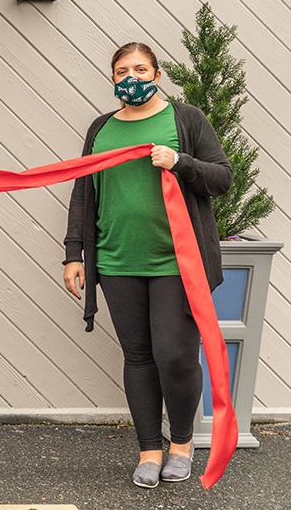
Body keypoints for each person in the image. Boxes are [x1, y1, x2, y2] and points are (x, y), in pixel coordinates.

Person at [62, 42, 232, 489]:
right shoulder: (101, 128)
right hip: (117, 260)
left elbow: (222, 178)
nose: (131, 77)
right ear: (113, 78)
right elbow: (85, 191)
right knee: (137, 356)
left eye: (141, 68)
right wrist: (74, 253)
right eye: (122, 70)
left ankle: (181, 443)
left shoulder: (186, 119)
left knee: (174, 356)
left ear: (157, 74)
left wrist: (180, 162)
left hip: (177, 262)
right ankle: (149, 450)